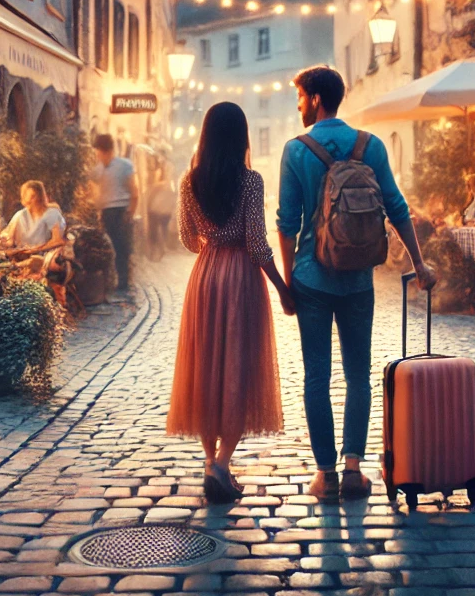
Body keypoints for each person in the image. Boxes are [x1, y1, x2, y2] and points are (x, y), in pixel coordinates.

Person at [277, 65, 435, 504]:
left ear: (313, 98)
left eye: (300, 97)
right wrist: (419, 263)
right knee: (358, 375)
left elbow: (287, 223)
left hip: (310, 276)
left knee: (316, 376)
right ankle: (353, 470)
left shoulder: (296, 150)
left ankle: (324, 475)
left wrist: (288, 283)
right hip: (358, 280)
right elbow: (397, 207)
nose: (298, 105)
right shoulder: (371, 145)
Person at [167, 102, 295, 504]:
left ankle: (210, 463)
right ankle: (222, 464)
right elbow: (258, 245)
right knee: (239, 370)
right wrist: (282, 288)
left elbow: (187, 240)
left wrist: (209, 241)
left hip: (204, 278)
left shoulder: (190, 181)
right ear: (241, 137)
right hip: (240, 279)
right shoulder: (250, 181)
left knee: (205, 371)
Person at [92, 133, 138, 289]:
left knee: (121, 247)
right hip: (107, 212)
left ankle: (124, 281)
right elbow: (91, 188)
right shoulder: (98, 169)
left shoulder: (125, 165)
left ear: (106, 151)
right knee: (109, 246)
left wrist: (129, 213)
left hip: (121, 211)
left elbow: (134, 191)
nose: (97, 156)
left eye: (98, 152)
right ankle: (112, 279)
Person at [0, 180, 67, 257]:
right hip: (22, 255)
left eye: (33, 197)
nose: (29, 200)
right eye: (26, 197)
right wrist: (1, 239)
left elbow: (58, 241)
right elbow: (8, 237)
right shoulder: (20, 215)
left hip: (45, 257)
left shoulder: (51, 214)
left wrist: (36, 249)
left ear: (41, 197)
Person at [147, 165, 177, 261]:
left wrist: (148, 208)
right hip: (165, 212)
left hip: (156, 211)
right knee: (163, 230)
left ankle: (155, 249)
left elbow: (150, 198)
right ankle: (161, 247)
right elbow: (174, 199)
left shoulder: (157, 186)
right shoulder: (172, 186)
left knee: (154, 232)